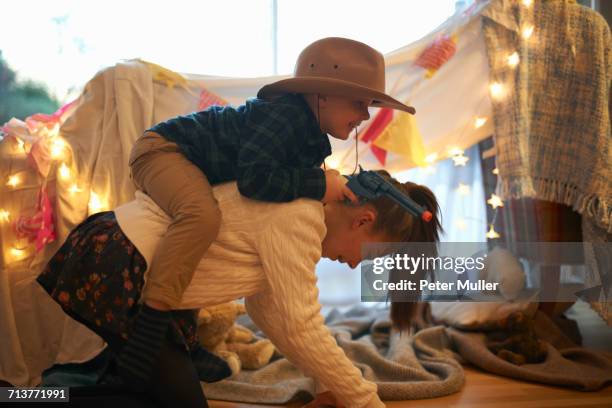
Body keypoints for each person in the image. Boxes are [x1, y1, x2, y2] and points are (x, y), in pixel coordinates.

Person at [125, 36, 417, 392]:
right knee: (201, 218)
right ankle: (151, 324)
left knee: (210, 242)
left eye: (369, 105)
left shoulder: (311, 138)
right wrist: (320, 183)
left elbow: (279, 187)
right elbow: (255, 180)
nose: (365, 115)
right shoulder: (286, 117)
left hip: (195, 163)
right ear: (321, 94)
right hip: (165, 150)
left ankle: (187, 340)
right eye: (359, 103)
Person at [37, 171, 440, 408]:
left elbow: (270, 313)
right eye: (367, 256)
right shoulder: (300, 218)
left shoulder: (300, 219)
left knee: (137, 387)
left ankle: (30, 395)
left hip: (137, 274)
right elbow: (303, 325)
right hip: (121, 263)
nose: (354, 264)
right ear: (363, 220)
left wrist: (333, 385)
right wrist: (365, 400)